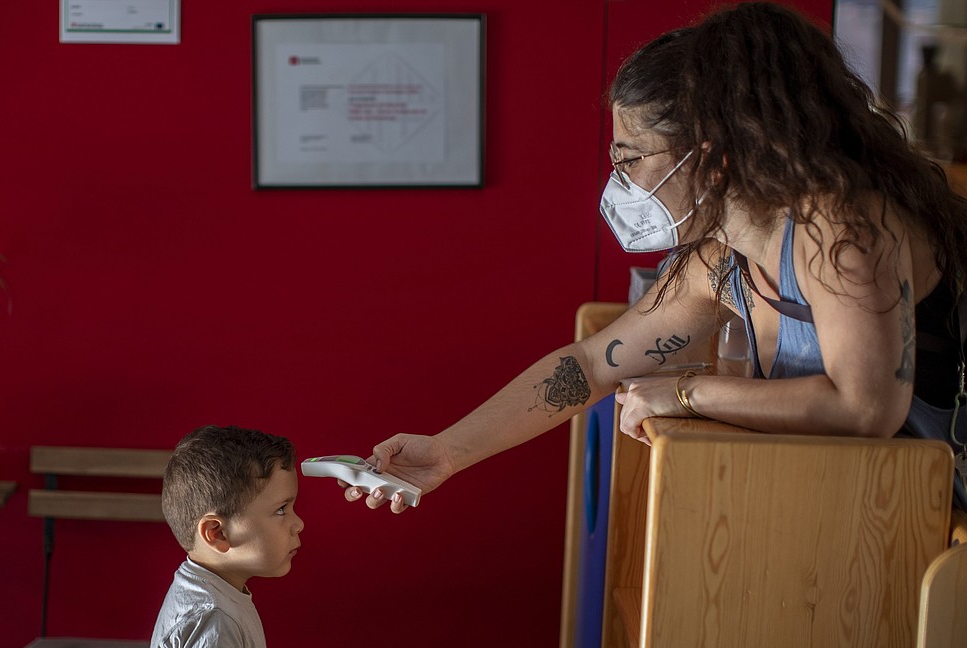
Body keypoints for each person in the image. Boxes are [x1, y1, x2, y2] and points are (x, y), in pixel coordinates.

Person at [345, 2, 967, 514]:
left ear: (711, 155)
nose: (620, 181)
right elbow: (590, 365)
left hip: (927, 534)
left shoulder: (841, 225)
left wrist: (688, 392)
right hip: (843, 522)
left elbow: (863, 409)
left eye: (630, 158)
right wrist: (449, 452)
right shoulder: (719, 261)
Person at [109, 425, 304, 648]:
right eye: (281, 510)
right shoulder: (215, 616)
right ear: (217, 533)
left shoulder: (211, 588)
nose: (298, 523)